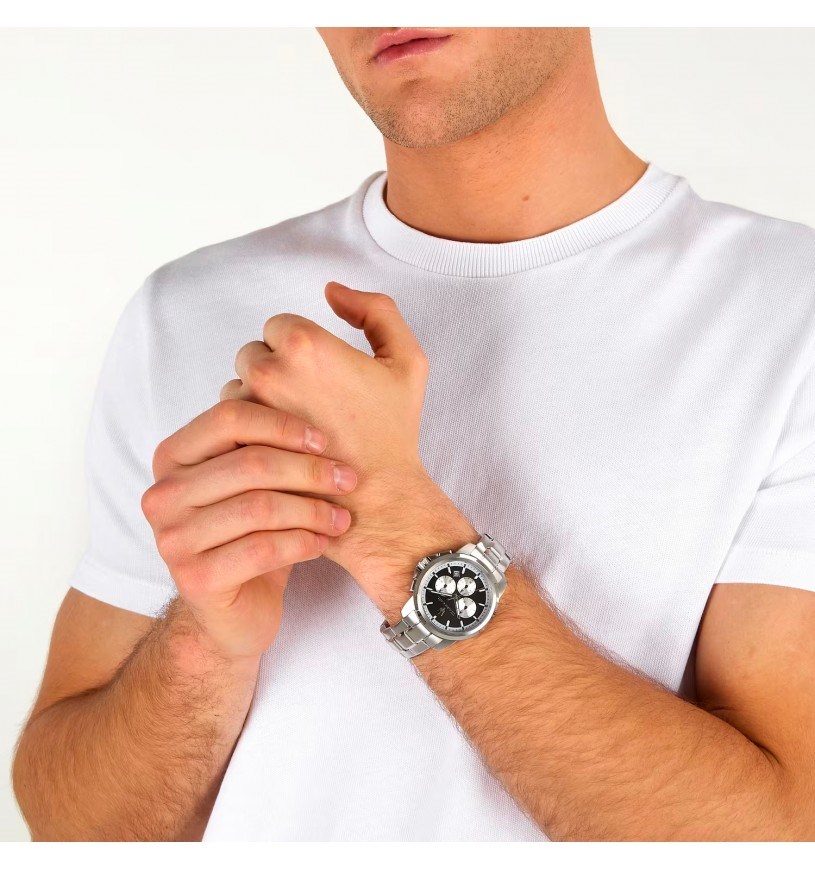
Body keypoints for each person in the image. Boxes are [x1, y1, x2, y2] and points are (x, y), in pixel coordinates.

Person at [12, 27, 815, 842]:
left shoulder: (789, 312)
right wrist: (203, 646)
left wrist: (399, 530)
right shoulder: (186, 311)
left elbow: (778, 836)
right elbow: (69, 831)